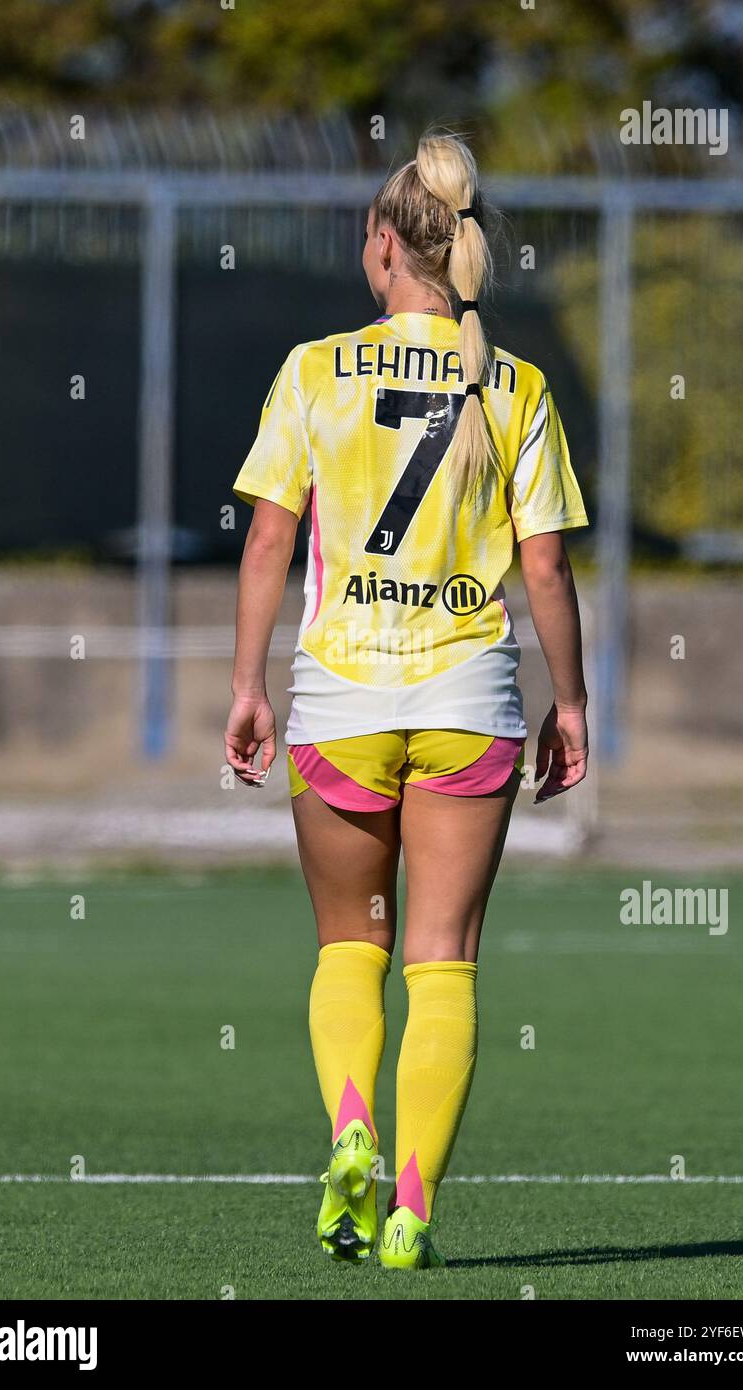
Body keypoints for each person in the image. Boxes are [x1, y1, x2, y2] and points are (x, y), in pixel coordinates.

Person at [225, 131, 589, 1269]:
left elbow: (271, 537)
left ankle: (349, 1132)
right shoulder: (514, 383)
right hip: (468, 702)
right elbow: (545, 570)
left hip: (338, 697)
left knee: (349, 948)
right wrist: (569, 703)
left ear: (386, 246)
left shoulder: (313, 368)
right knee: (444, 960)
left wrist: (245, 684)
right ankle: (412, 1210)